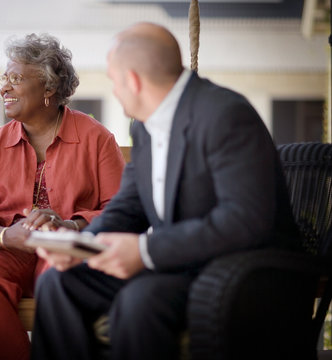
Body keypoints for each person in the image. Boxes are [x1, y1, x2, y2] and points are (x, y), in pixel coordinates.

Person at [31, 22, 299, 360]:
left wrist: (145, 250)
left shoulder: (225, 115)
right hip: (176, 261)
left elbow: (244, 220)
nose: (114, 91)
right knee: (57, 282)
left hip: (240, 270)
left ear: (133, 81)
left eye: (114, 81)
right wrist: (82, 248)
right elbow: (129, 205)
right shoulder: (145, 123)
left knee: (141, 299)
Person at [0, 33, 125, 360]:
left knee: (64, 277)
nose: (4, 88)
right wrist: (3, 235)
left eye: (16, 78)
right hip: (7, 249)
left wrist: (72, 225)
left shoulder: (96, 138)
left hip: (66, 250)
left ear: (49, 88)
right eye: (4, 78)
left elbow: (120, 211)